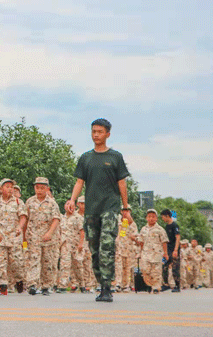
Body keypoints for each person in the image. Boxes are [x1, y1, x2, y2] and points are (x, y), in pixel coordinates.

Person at [65, 118, 131, 303]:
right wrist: (72, 199)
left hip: (110, 208)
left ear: (107, 134)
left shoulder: (115, 157)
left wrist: (125, 208)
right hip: (91, 210)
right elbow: (79, 182)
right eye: (94, 131)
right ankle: (101, 282)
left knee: (107, 247)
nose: (96, 135)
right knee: (94, 249)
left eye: (100, 132)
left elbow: (122, 183)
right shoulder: (86, 158)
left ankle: (107, 288)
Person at [24, 177, 61, 296]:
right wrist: (24, 236)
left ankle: (46, 285)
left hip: (48, 237)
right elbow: (26, 218)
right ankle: (32, 284)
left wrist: (49, 233)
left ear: (47, 188)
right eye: (37, 188)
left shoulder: (52, 203)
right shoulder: (30, 202)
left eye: (42, 188)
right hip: (33, 236)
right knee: (33, 260)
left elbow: (56, 219)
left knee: (47, 261)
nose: (39, 190)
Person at [134, 209, 169, 294]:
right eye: (149, 216)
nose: (151, 218)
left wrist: (165, 253)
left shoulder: (160, 229)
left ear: (156, 218)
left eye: (153, 217)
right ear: (146, 218)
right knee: (145, 270)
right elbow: (141, 241)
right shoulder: (143, 229)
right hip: (145, 253)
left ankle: (156, 287)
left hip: (156, 253)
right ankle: (150, 284)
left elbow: (164, 241)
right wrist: (140, 252)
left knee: (156, 271)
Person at [114, 209, 138, 292]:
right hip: (120, 249)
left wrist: (133, 238)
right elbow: (121, 235)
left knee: (127, 268)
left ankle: (126, 285)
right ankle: (118, 284)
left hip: (129, 250)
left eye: (127, 211)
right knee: (119, 266)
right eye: (124, 211)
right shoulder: (120, 222)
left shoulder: (132, 224)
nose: (125, 213)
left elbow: (135, 236)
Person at [160, 209, 181, 293]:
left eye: (163, 217)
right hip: (167, 251)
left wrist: (176, 250)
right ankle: (166, 284)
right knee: (163, 266)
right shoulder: (166, 226)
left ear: (167, 216)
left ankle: (177, 286)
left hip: (174, 250)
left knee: (175, 268)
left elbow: (178, 237)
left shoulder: (174, 225)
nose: (163, 219)